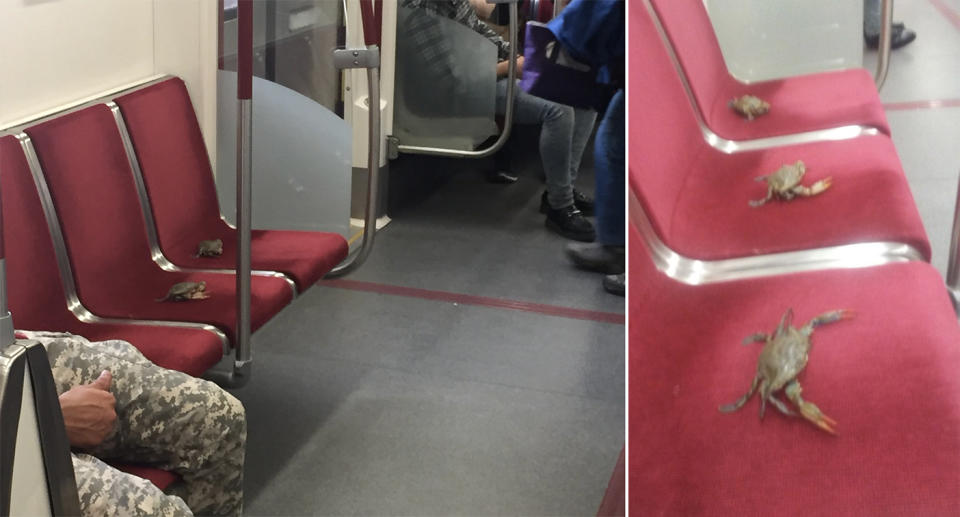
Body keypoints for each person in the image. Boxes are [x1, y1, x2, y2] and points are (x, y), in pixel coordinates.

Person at [400, 0, 598, 242]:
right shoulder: (418, 14)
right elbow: (452, 85)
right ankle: (560, 207)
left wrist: (520, 57)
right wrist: (510, 67)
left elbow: (481, 33)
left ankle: (562, 188)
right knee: (557, 111)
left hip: (482, 72)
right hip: (458, 91)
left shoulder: (453, 2)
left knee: (585, 98)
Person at [24, 330, 246, 516]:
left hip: (13, 352)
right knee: (152, 510)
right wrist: (45, 420)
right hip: (12, 430)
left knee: (216, 416)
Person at [549, 0, 626, 295]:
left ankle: (628, 255)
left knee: (616, 146)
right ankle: (616, 245)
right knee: (612, 142)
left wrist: (560, 39)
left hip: (661, 55)